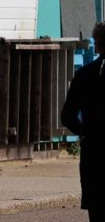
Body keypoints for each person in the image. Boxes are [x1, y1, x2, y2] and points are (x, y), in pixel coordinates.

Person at [62, 22, 105, 222]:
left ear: (97, 44)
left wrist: (85, 133)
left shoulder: (84, 75)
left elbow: (67, 115)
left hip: (94, 152)